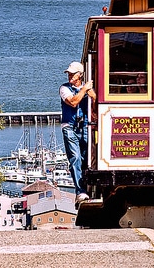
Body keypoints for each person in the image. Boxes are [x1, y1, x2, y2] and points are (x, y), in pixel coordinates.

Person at [59, 61, 96, 205]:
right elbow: (73, 102)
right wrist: (85, 90)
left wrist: (93, 96)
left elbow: (97, 103)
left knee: (87, 158)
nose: (69, 76)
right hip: (69, 126)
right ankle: (80, 191)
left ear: (80, 75)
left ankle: (88, 188)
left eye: (72, 74)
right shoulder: (64, 88)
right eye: (68, 73)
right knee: (75, 158)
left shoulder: (88, 89)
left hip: (86, 126)